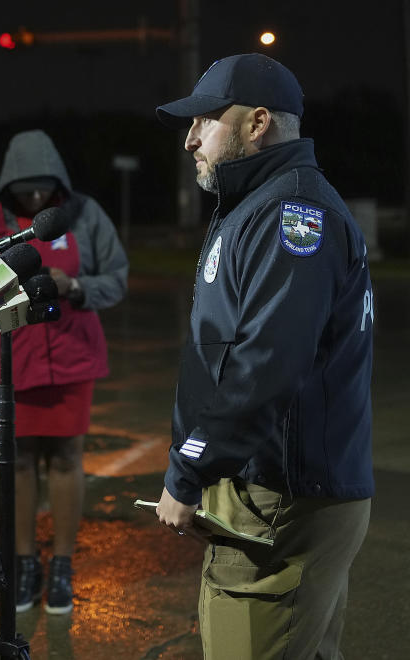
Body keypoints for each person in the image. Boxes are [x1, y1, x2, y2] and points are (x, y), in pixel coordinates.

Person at [152, 53, 374, 659]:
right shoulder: (260, 203)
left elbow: (266, 364)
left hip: (286, 496)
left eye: (205, 121)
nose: (191, 138)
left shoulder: (292, 213)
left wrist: (189, 468)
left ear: (256, 124)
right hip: (274, 485)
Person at [0, 129, 128, 614]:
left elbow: (117, 278)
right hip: (11, 358)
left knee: (69, 458)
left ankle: (62, 566)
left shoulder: (85, 215)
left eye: (42, 187)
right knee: (21, 461)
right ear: (7, 183)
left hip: (73, 355)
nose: (34, 197)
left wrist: (74, 284)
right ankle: (25, 562)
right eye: (24, 189)